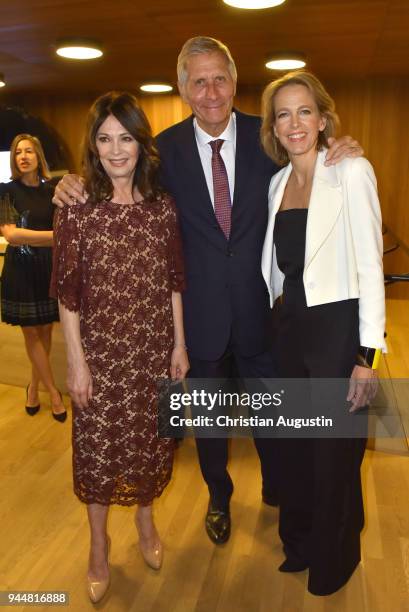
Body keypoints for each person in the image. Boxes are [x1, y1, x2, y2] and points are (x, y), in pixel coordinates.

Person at [52, 36, 363, 546]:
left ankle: (279, 488)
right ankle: (218, 498)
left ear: (235, 82)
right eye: (199, 80)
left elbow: (310, 157)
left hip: (263, 313)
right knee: (210, 426)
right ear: (183, 88)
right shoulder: (164, 151)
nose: (211, 90)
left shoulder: (267, 138)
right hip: (198, 319)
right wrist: (65, 185)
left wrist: (340, 150)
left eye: (220, 78)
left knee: (274, 417)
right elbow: (113, 175)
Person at [50, 91, 189, 603]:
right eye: (104, 139)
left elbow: (174, 280)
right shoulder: (79, 210)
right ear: (93, 146)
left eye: (125, 138)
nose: (115, 150)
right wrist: (77, 364)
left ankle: (147, 525)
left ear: (140, 144)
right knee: (97, 452)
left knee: (152, 442)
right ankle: (98, 545)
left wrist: (180, 344)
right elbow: (68, 295)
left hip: (154, 351)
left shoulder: (161, 208)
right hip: (101, 358)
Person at [260, 70, 385, 595]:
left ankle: (335, 559)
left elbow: (370, 266)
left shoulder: (350, 170)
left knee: (333, 452)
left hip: (336, 330)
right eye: (283, 113)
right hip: (289, 328)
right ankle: (302, 543)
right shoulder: (276, 182)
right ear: (273, 127)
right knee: (296, 445)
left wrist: (366, 356)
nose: (294, 123)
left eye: (304, 111)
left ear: (323, 117)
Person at [0, 134, 66, 421]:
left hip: (48, 269)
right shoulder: (6, 190)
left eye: (28, 151)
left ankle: (33, 386)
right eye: (17, 153)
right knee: (31, 332)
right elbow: (11, 234)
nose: (22, 156)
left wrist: (47, 239)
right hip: (21, 271)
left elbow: (67, 226)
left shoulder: (52, 189)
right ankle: (52, 392)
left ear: (39, 156)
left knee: (46, 330)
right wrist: (56, 237)